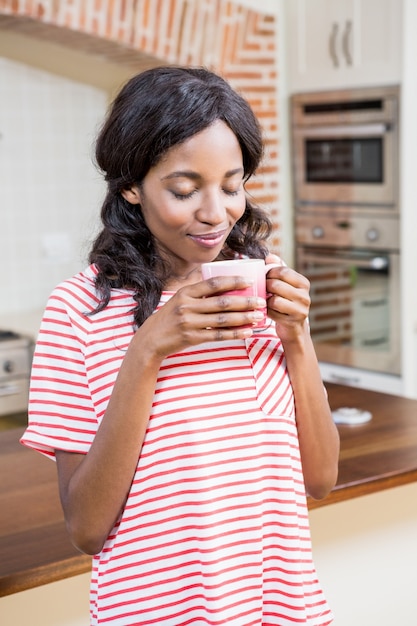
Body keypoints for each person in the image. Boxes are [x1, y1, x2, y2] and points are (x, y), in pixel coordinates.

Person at [21, 65, 339, 626]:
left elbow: (320, 479)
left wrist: (296, 339)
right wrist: (147, 351)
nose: (215, 213)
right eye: (184, 190)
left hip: (282, 612)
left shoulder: (263, 283)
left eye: (232, 184)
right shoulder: (78, 311)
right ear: (130, 185)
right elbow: (87, 528)